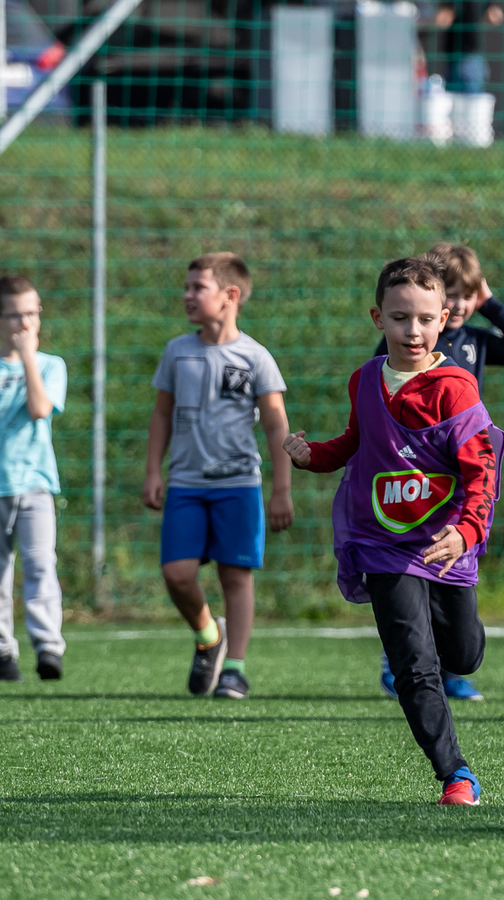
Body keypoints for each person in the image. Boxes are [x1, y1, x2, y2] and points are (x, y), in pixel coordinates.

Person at [284, 253, 503, 806]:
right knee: (413, 665)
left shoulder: (455, 388)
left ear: (444, 319)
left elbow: (482, 472)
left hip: (444, 545)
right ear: (378, 317)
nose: (413, 331)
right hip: (381, 543)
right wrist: (313, 456)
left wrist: (465, 532)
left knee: (462, 656)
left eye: (426, 319)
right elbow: (356, 442)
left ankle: (454, 644)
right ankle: (455, 774)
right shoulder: (364, 380)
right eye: (400, 318)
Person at [371, 242, 504, 701]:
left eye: (469, 295)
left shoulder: (474, 342)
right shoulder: (411, 342)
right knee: (410, 570)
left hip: (460, 479)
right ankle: (399, 660)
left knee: (450, 570)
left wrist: (491, 303)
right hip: (414, 478)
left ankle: (451, 671)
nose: (461, 304)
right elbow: (377, 383)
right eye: (452, 293)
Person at [142, 253, 295, 701]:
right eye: (187, 287)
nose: (187, 295)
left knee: (236, 576)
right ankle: (209, 635)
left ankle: (235, 669)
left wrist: (281, 489)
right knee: (177, 574)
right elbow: (161, 414)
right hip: (186, 485)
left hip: (238, 485)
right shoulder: (178, 351)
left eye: (198, 287)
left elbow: (276, 425)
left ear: (230, 295)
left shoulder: (255, 356)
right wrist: (153, 470)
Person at [0, 275, 69, 682]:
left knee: (40, 565)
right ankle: (1, 652)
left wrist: (27, 359)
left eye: (32, 313)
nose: (25, 323)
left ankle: (48, 648)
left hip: (35, 485)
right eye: (16, 315)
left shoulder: (51, 365)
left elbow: (40, 409)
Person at [431, 3, 504, 94]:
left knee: (465, 99)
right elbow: (494, 17)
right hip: (463, 59)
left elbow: (443, 19)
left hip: (466, 60)